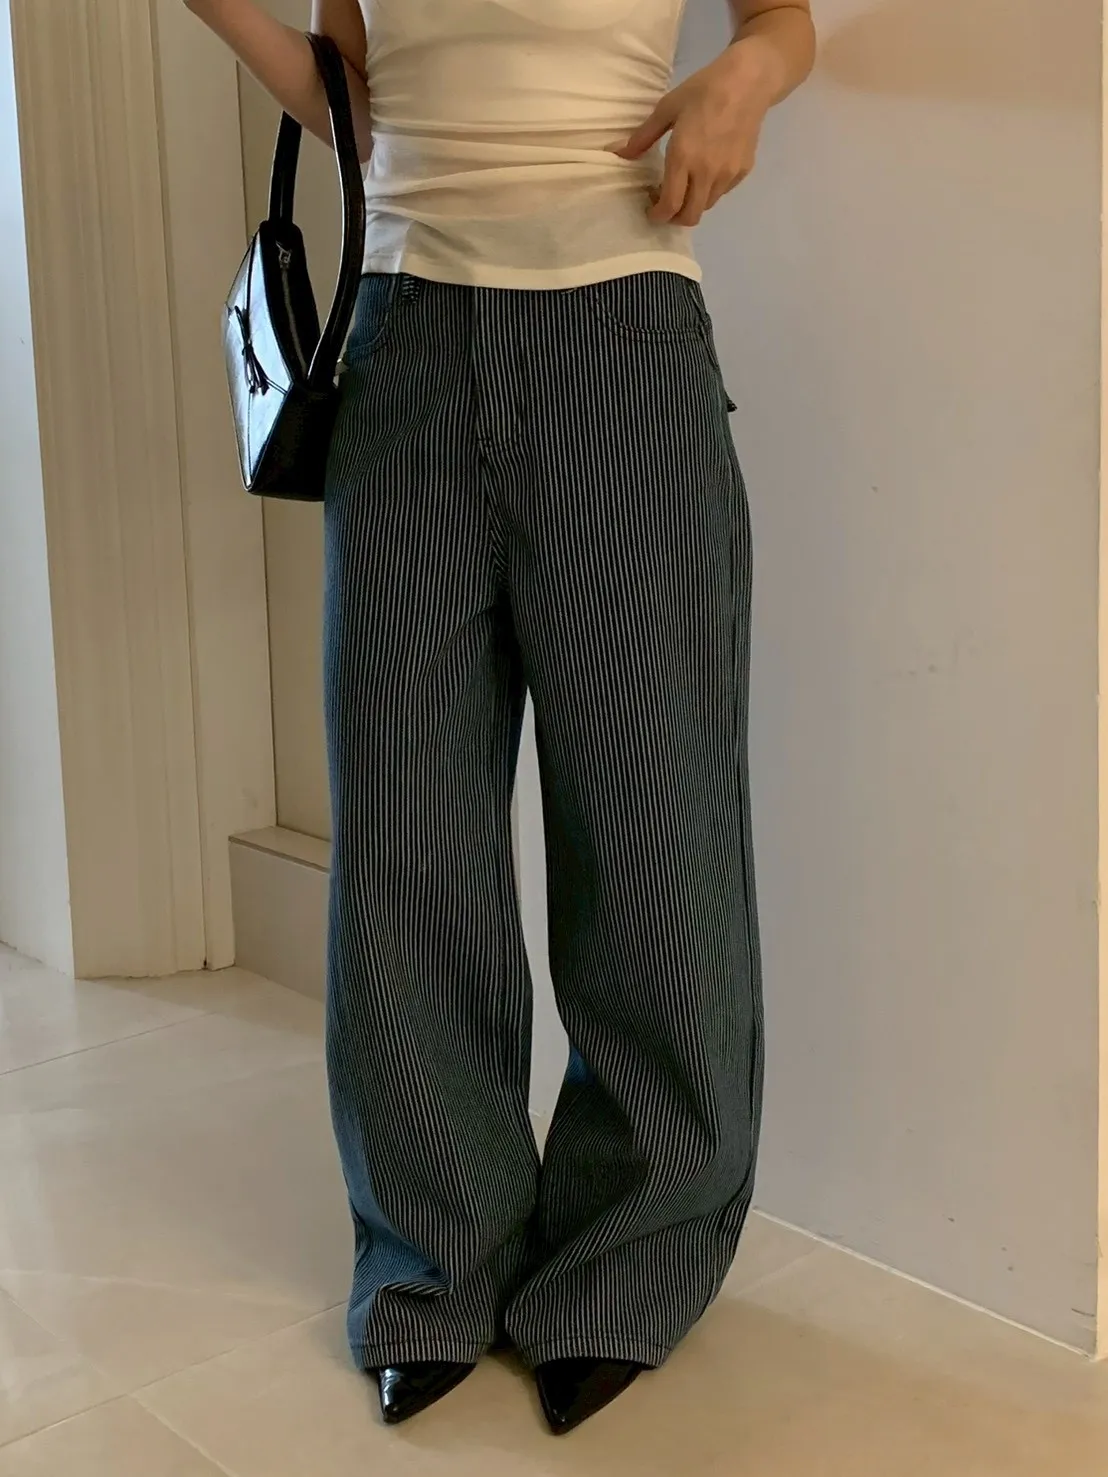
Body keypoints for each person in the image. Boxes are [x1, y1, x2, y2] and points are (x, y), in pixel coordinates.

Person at [185, 0, 815, 1437]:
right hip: (405, 344)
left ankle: (630, 1257)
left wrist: (747, 78)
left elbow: (782, 21)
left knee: (653, 828)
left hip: (623, 337)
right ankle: (434, 1258)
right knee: (407, 834)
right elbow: (348, 95)